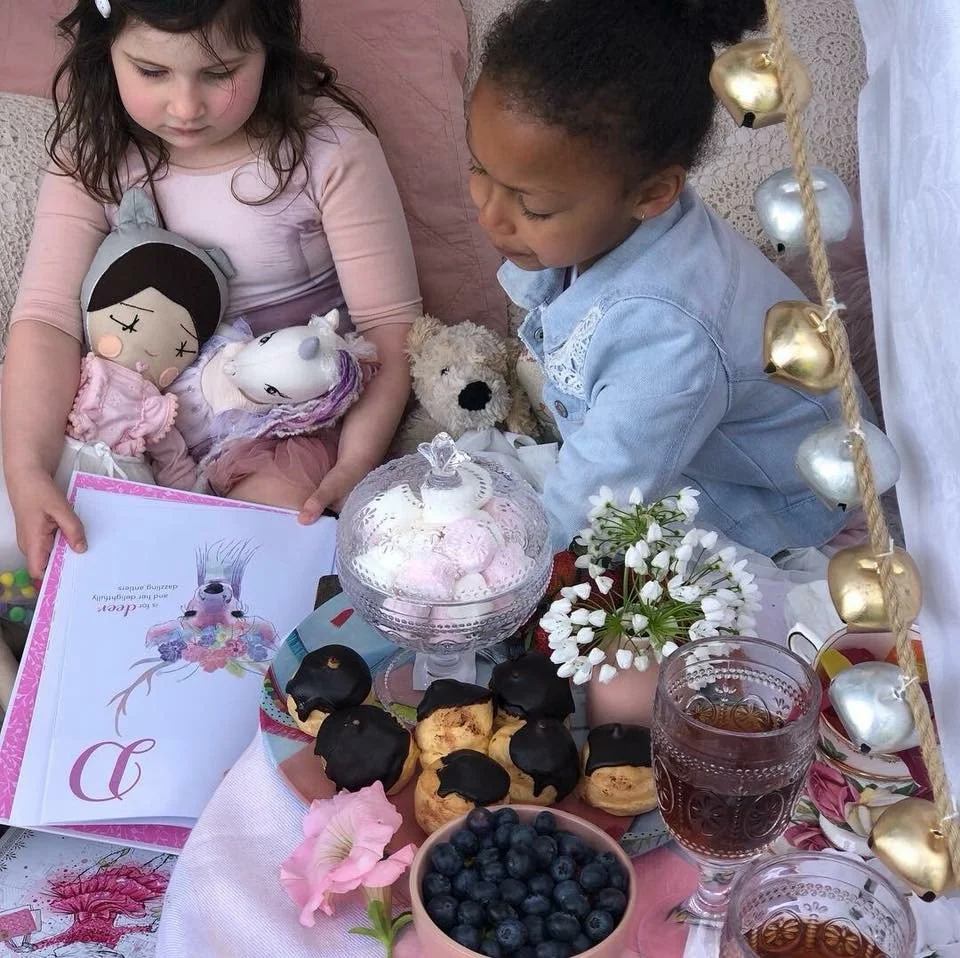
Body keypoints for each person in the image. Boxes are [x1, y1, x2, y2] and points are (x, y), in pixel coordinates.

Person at [3, 0, 421, 578]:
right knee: (32, 513)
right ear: (107, 53)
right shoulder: (92, 150)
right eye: (151, 72)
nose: (185, 107)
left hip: (282, 421)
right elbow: (47, 320)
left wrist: (352, 464)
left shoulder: (327, 146)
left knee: (259, 549)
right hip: (128, 409)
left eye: (220, 73)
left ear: (269, 49)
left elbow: (392, 332)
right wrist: (27, 468)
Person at [466, 0, 866, 557]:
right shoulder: (615, 228)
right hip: (686, 450)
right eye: (479, 169)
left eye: (531, 205)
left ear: (652, 194)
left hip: (781, 507)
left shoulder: (669, 332)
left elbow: (588, 505)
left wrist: (484, 566)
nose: (489, 213)